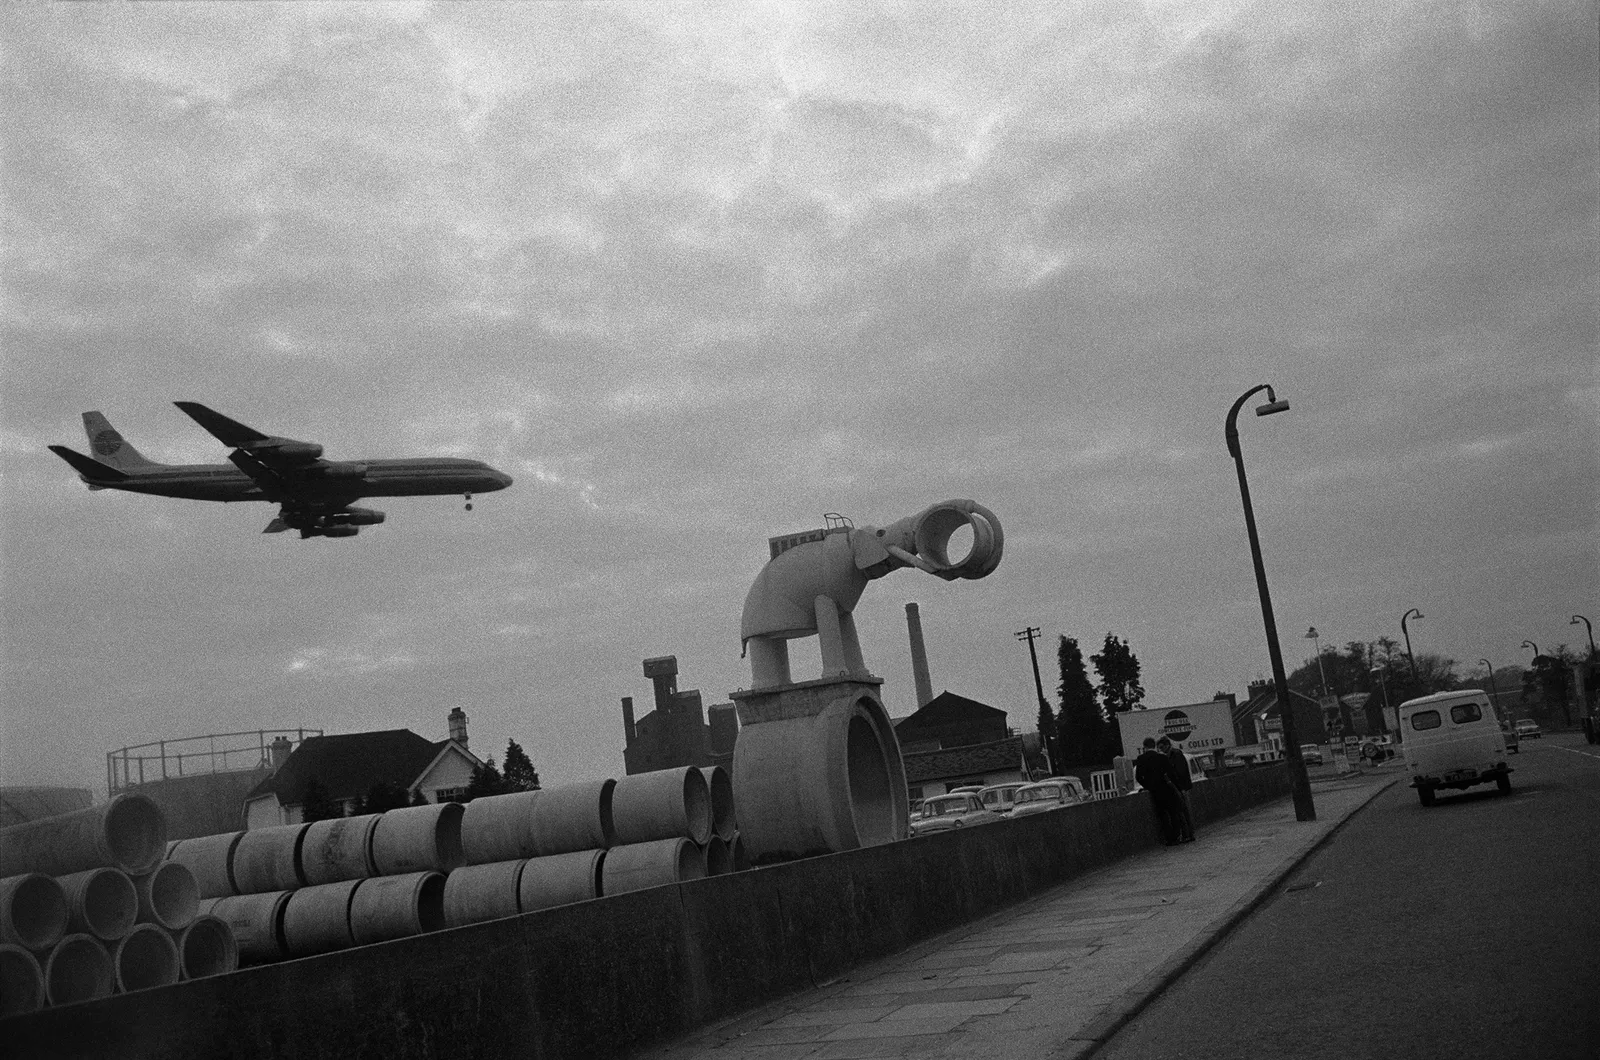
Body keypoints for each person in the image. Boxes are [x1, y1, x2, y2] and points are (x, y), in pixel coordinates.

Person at [1133, 737, 1183, 845]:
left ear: (1144, 747)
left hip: (1155, 791)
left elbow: (1138, 777)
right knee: (1172, 813)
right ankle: (1177, 836)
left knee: (1162, 815)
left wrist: (1148, 786)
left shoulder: (1141, 759)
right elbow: (1171, 774)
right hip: (1167, 789)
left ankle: (1169, 838)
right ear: (1154, 746)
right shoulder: (1162, 757)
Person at [1158, 736, 1196, 842]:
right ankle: (1188, 834)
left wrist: (1181, 788)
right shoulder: (1173, 754)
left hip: (1180, 787)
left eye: (1162, 747)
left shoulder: (1176, 754)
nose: (1161, 750)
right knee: (1183, 811)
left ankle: (1188, 834)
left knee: (1183, 811)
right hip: (1179, 787)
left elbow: (1180, 772)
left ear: (1167, 745)